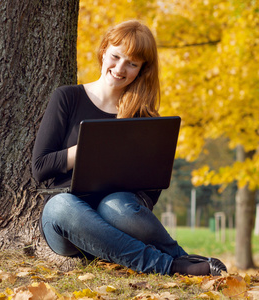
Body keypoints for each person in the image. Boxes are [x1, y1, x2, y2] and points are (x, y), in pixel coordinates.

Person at [31, 20, 227, 276]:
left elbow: (152, 190)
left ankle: (177, 261)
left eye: (132, 63)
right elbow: (40, 167)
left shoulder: (143, 117)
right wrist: (86, 150)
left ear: (141, 70)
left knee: (117, 208)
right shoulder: (67, 97)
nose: (120, 68)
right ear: (103, 51)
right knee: (60, 206)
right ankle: (174, 263)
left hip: (120, 220)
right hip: (71, 224)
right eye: (115, 56)